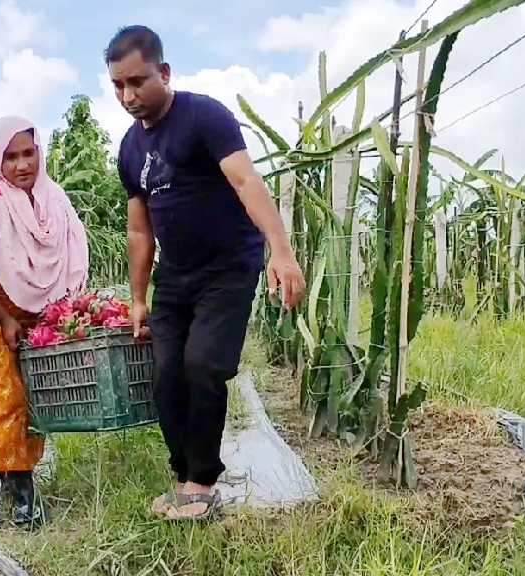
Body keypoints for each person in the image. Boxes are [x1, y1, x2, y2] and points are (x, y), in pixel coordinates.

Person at [106, 25, 306, 521]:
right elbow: (139, 229)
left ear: (164, 72)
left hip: (228, 268)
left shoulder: (204, 117)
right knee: (166, 376)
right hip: (175, 275)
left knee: (204, 367)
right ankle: (184, 482)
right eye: (118, 86)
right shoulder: (130, 149)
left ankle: (201, 486)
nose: (129, 96)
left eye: (137, 82)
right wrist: (137, 297)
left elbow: (245, 179)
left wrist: (280, 251)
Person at [0, 116, 89, 529]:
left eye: (29, 153)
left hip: (32, 317)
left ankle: (14, 489)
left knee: (30, 402)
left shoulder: (54, 200)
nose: (22, 164)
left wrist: (56, 313)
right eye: (10, 157)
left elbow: (65, 254)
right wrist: (6, 318)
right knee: (5, 401)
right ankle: (22, 499)